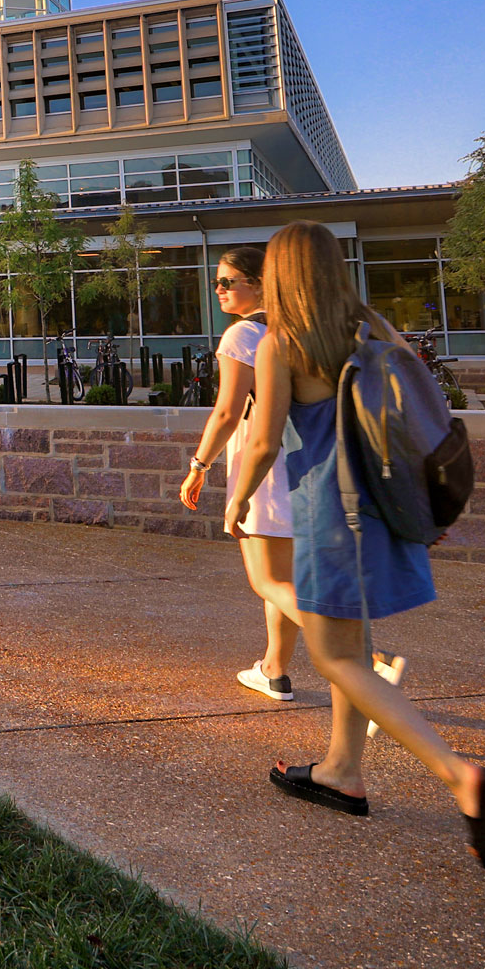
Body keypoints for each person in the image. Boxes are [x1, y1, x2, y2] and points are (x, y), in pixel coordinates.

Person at [226, 221, 485, 872]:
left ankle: (461, 777)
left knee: (337, 658)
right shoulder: (371, 326)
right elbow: (417, 409)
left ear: (280, 275)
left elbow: (266, 439)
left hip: (331, 516)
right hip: (383, 509)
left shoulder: (282, 343)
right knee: (350, 646)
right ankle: (340, 770)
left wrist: (238, 500)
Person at [179, 247, 303, 701]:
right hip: (307, 463)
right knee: (283, 578)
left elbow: (229, 410)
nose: (219, 290)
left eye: (229, 281)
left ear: (259, 283)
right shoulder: (299, 330)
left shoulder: (242, 336)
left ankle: (366, 657)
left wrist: (199, 466)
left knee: (266, 580)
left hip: (264, 468)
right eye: (218, 282)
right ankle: (274, 669)